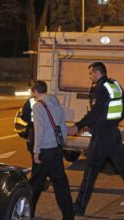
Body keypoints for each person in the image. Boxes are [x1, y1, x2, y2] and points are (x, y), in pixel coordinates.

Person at [68, 62, 124, 216]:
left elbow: (95, 113)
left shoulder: (100, 88)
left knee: (91, 170)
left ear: (97, 73)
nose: (89, 76)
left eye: (90, 73)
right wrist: (114, 121)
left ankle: (79, 207)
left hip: (102, 135)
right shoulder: (114, 84)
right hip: (113, 134)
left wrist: (77, 126)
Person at [30, 80, 74, 220]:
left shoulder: (38, 106)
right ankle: (68, 215)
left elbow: (39, 130)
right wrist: (62, 143)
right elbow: (62, 125)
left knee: (35, 184)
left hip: (45, 149)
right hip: (56, 149)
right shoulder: (56, 103)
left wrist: (36, 151)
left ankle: (27, 213)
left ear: (35, 91)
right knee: (61, 183)